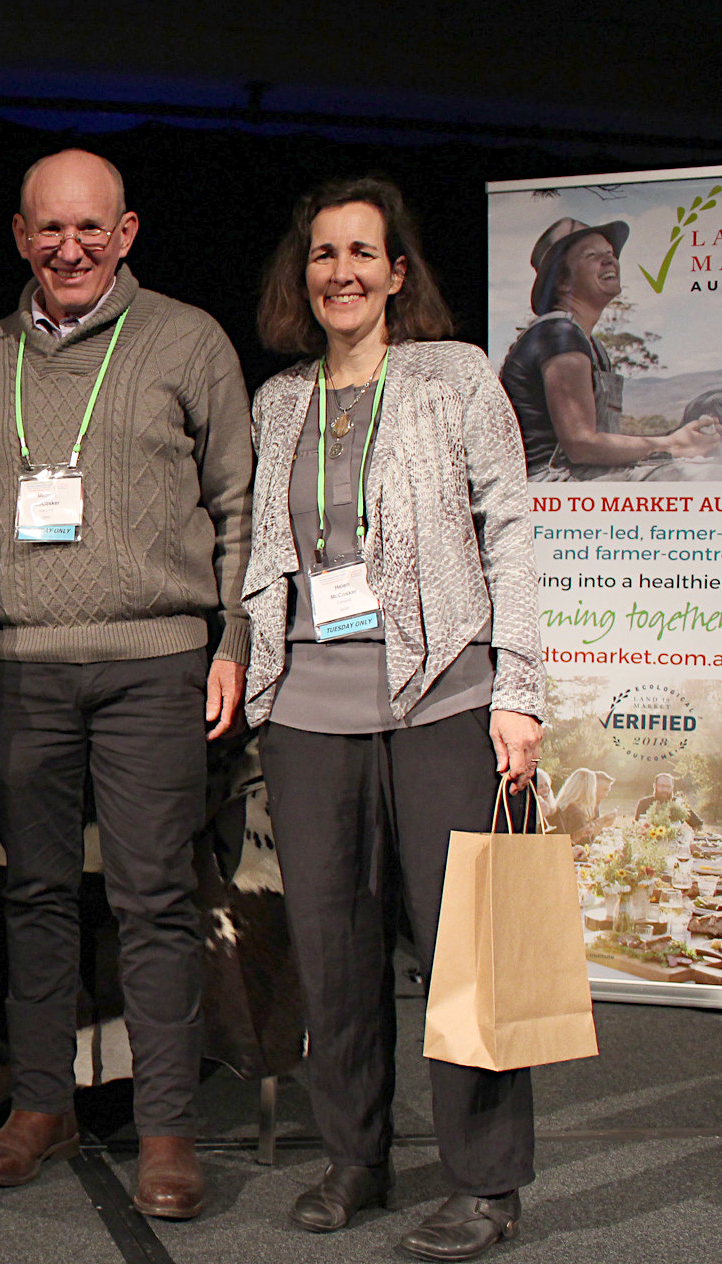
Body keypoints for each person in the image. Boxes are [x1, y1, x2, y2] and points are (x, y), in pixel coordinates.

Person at [0, 148, 252, 1220]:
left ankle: (165, 1129)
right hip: (20, 664)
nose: (69, 248)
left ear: (125, 234)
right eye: (49, 230)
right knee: (32, 895)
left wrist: (232, 639)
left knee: (154, 898)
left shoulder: (186, 339)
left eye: (90, 229)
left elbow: (239, 505)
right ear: (21, 237)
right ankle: (41, 1106)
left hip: (153, 660)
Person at [245, 175, 545, 1261]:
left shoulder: (452, 377)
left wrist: (518, 690)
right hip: (308, 715)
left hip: (442, 699)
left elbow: (509, 528)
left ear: (396, 272)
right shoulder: (278, 400)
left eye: (362, 253)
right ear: (304, 274)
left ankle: (484, 1185)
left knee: (467, 949)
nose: (341, 272)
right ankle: (353, 1158)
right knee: (331, 952)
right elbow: (263, 559)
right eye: (323, 254)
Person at [499, 216, 719, 480]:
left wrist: (678, 438)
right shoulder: (559, 334)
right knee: (704, 476)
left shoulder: (591, 345)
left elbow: (598, 444)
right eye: (592, 255)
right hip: (553, 482)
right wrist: (671, 444)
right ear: (562, 282)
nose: (609, 260)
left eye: (610, 253)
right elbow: (580, 445)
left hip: (582, 474)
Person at [635, 773, 702, 827]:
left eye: (668, 786)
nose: (665, 789)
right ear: (655, 786)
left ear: (672, 787)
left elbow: (698, 825)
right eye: (662, 786)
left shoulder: (679, 803)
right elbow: (637, 826)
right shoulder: (644, 803)